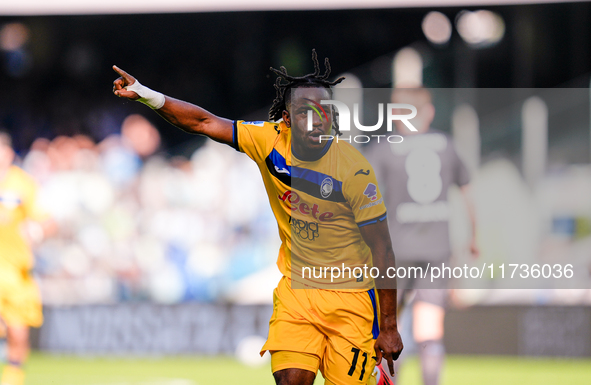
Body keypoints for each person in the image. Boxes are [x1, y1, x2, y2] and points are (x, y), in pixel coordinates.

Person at [112, 50, 403, 385]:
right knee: (291, 380)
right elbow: (204, 122)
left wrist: (390, 327)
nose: (315, 119)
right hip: (297, 293)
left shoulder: (355, 170)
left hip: (351, 302)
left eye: (322, 111)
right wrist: (148, 96)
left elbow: (383, 250)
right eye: (304, 112)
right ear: (286, 118)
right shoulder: (270, 140)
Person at [365, 88, 478, 385]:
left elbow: (365, 196)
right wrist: (474, 239)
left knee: (389, 326)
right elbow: (468, 197)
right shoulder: (446, 145)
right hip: (437, 250)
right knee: (429, 329)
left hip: (395, 251)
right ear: (428, 112)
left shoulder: (385, 148)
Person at [0, 132, 53, 385]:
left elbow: (47, 220)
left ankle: (13, 377)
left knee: (18, 327)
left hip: (17, 269)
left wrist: (38, 231)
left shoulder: (23, 183)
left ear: (10, 153)